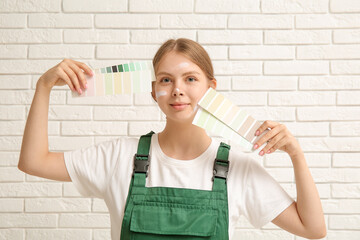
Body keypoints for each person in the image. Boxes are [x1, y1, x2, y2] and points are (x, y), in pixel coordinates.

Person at [18, 38, 326, 240]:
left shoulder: (236, 168)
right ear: (154, 91)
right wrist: (43, 87)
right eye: (166, 79)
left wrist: (296, 155)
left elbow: (313, 229)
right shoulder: (118, 158)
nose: (177, 89)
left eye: (190, 79)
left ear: (211, 88)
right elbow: (34, 162)